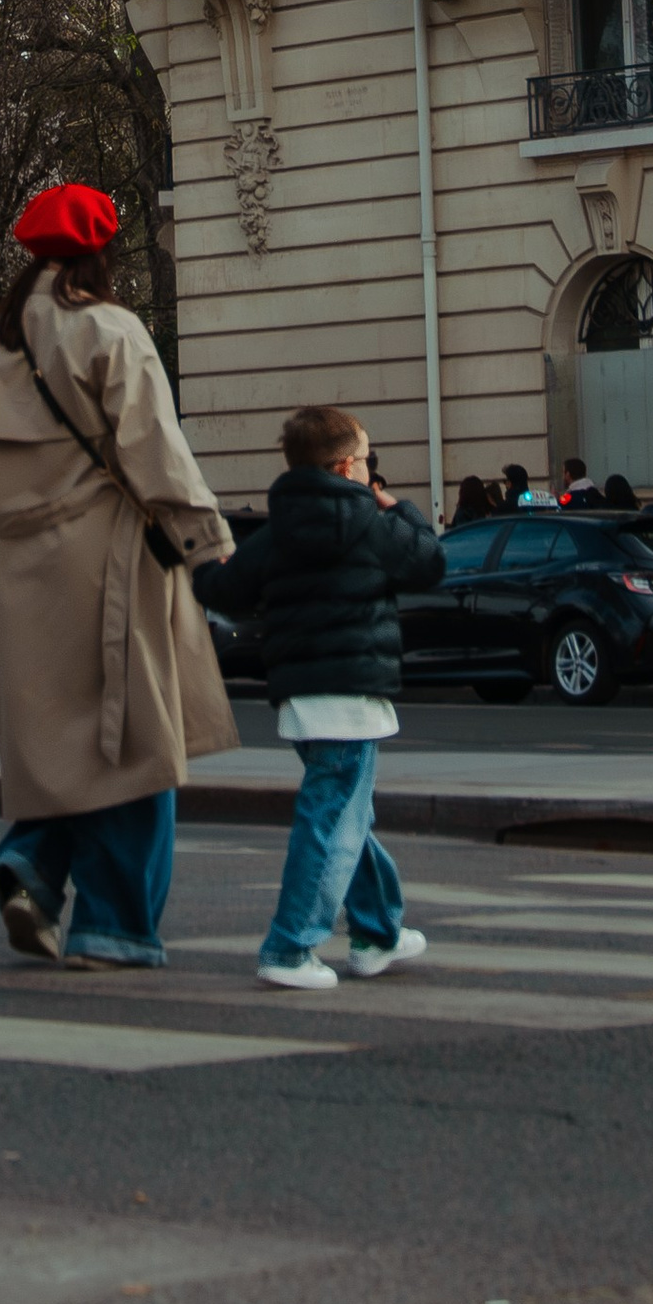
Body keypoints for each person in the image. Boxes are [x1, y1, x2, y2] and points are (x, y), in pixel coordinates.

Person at [0, 183, 235, 969]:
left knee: (59, 745)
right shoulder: (111, 330)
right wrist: (207, 540)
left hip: (14, 577)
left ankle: (34, 863)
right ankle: (114, 923)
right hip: (107, 563)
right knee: (134, 743)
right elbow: (155, 444)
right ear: (103, 252)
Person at [220, 404, 440, 992]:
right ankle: (290, 946)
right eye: (369, 461)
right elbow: (430, 563)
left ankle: (377, 933)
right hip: (354, 698)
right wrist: (408, 512)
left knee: (348, 819)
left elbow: (224, 589)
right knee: (331, 824)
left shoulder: (276, 530)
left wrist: (206, 562)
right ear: (347, 466)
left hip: (300, 699)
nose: (373, 473)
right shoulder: (369, 521)